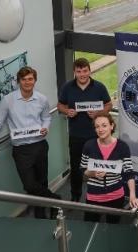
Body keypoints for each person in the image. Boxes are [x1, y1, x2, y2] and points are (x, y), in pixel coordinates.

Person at [0, 66, 59, 219]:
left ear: (35, 80)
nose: (27, 82)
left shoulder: (42, 99)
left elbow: (46, 117)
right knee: (29, 185)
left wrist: (45, 128)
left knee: (42, 181)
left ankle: (42, 215)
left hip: (39, 145)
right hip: (21, 149)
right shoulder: (8, 100)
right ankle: (55, 201)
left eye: (30, 79)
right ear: (19, 81)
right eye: (24, 79)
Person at [58, 58, 112, 202]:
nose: (82, 74)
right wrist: (66, 111)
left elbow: (108, 104)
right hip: (76, 135)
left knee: (99, 166)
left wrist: (99, 113)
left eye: (85, 71)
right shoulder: (67, 87)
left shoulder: (99, 87)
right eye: (78, 71)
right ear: (74, 72)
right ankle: (75, 196)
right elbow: (60, 105)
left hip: (97, 136)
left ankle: (100, 195)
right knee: (76, 168)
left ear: (89, 70)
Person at [80, 113, 138, 223]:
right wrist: (93, 174)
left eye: (104, 125)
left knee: (113, 228)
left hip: (116, 196)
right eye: (97, 127)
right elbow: (83, 169)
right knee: (89, 228)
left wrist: (132, 195)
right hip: (94, 197)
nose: (100, 129)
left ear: (112, 126)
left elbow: (129, 172)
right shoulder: (88, 146)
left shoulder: (122, 147)